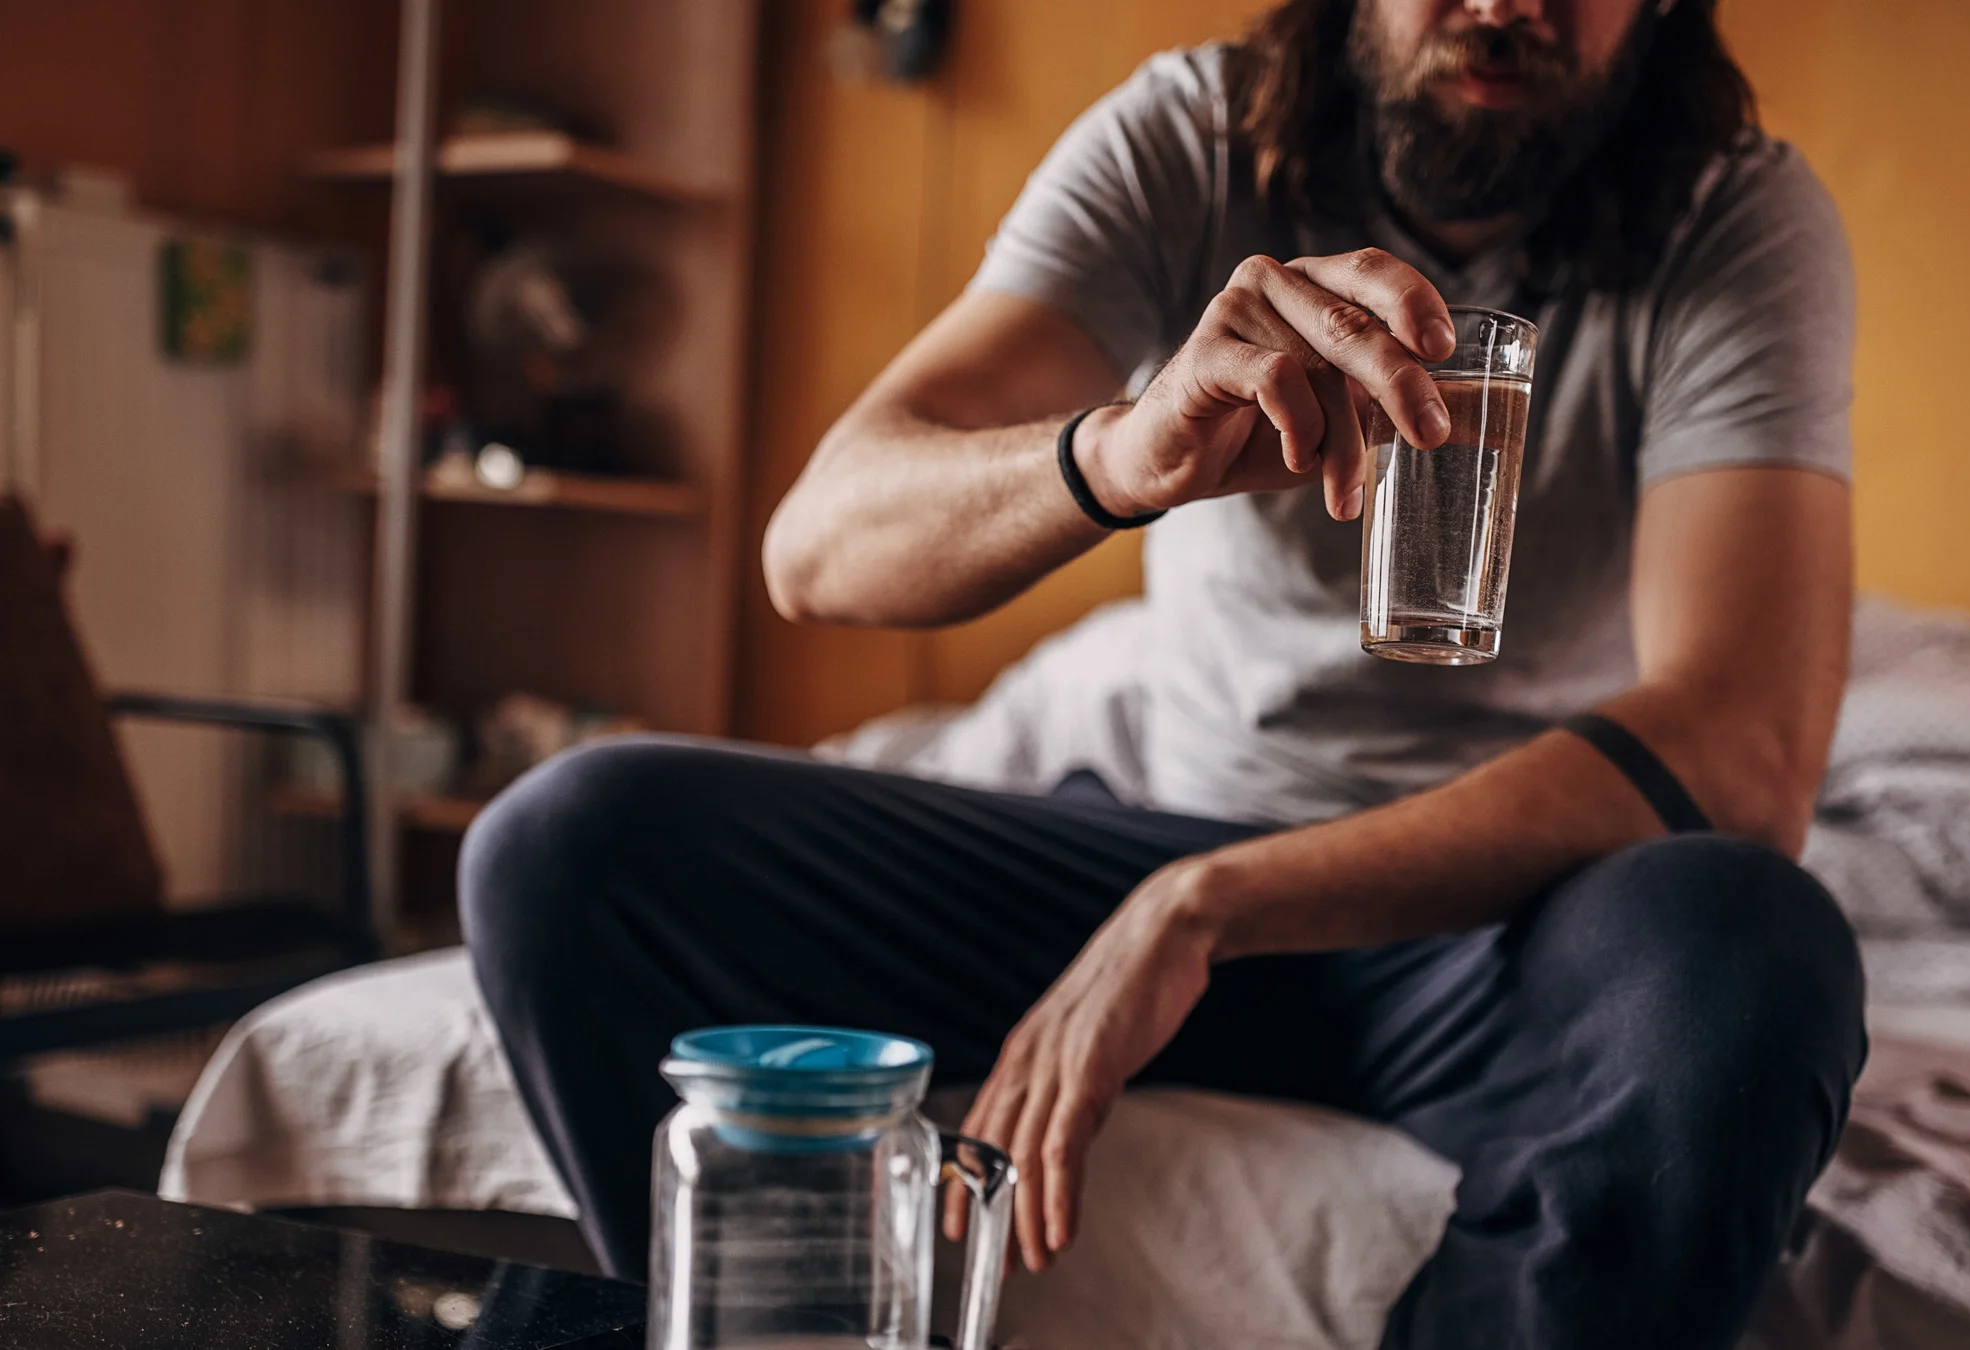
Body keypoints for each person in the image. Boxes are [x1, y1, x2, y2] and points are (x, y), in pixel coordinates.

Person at [463, 0, 1866, 1343]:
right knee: (571, 842)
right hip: (1149, 841)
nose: (1508, 2)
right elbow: (820, 551)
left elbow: (1740, 753)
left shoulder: (1731, 215)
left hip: (1499, 921)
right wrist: (1117, 458)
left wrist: (1206, 907)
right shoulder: (1190, 140)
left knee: (1750, 950)